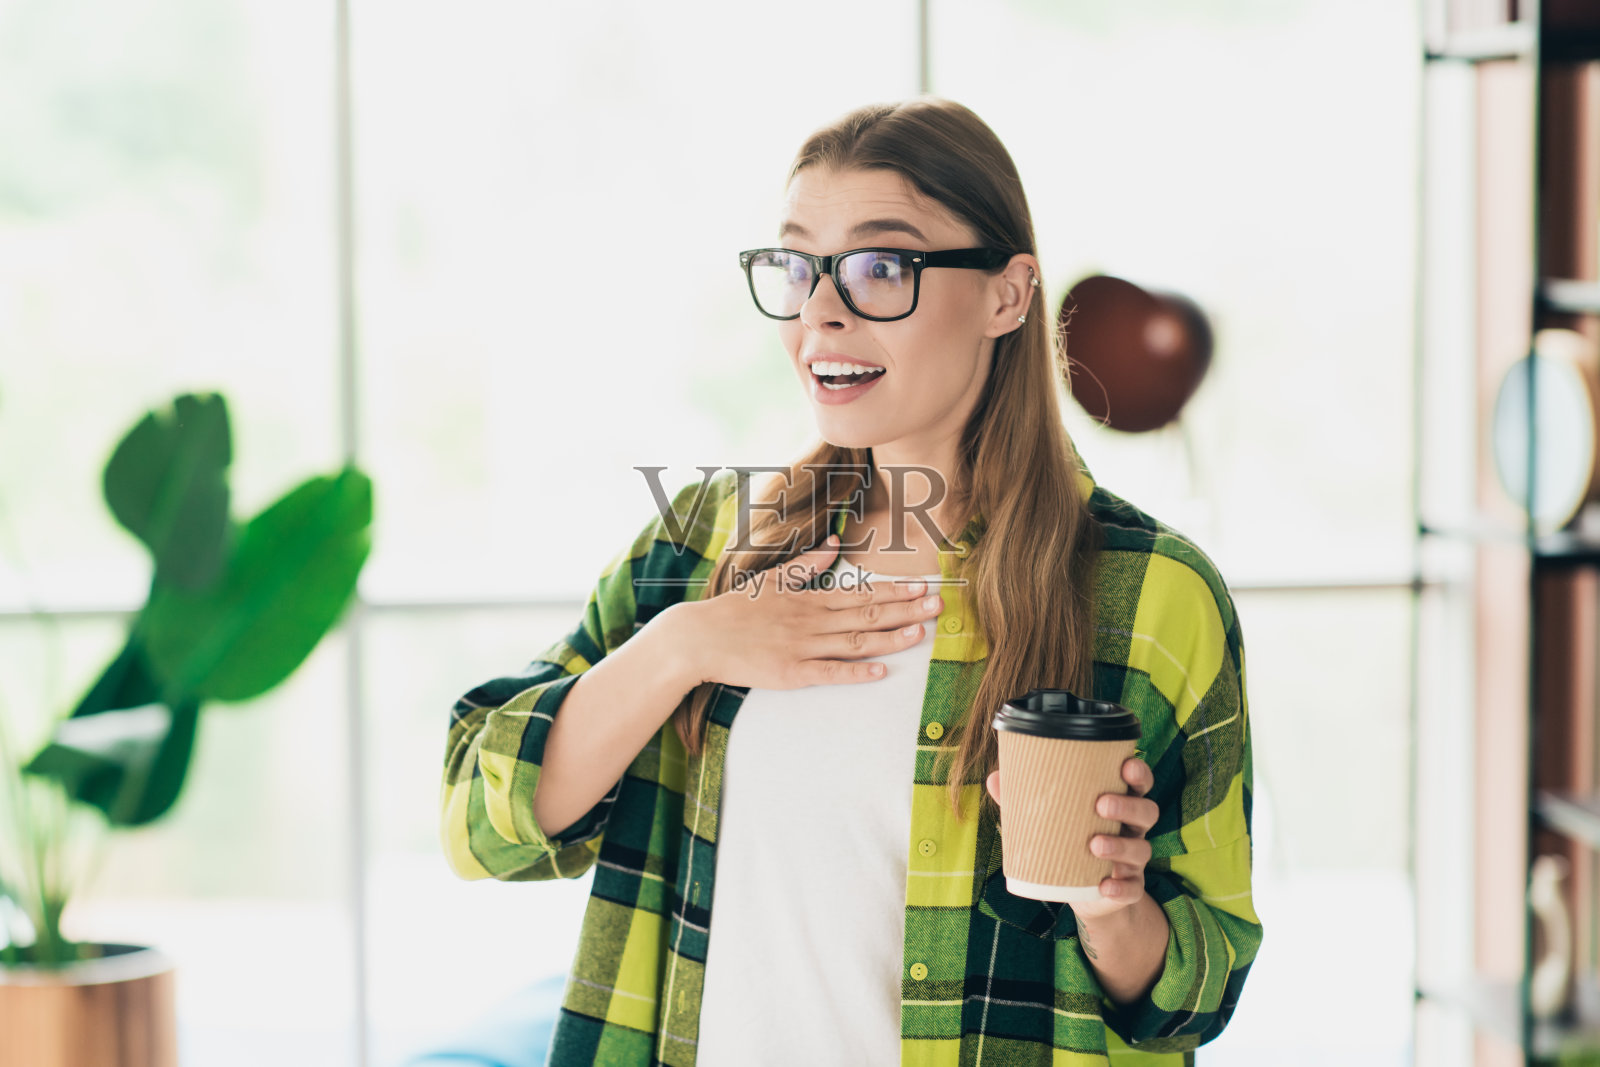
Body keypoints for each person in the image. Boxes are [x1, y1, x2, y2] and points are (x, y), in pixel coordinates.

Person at [440, 97, 1259, 1067]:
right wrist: (686, 643)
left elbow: (1200, 987)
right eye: (797, 266)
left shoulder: (1150, 592)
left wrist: (1109, 905)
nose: (821, 311)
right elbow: (475, 823)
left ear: (1006, 293)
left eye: (882, 267)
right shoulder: (702, 547)